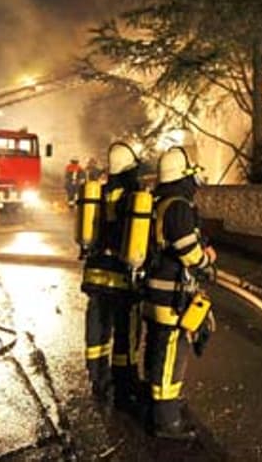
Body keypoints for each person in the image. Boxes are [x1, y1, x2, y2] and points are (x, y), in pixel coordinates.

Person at [144, 145, 216, 440]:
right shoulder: (178, 206)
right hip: (170, 296)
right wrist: (207, 258)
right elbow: (188, 251)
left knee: (157, 349)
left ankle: (160, 403)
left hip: (154, 292)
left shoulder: (158, 202)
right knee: (170, 353)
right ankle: (167, 420)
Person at [80, 142, 141, 410]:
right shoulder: (134, 195)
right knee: (124, 331)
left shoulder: (99, 193)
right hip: (120, 274)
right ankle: (123, 383)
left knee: (97, 326)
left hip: (94, 272)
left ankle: (97, 378)